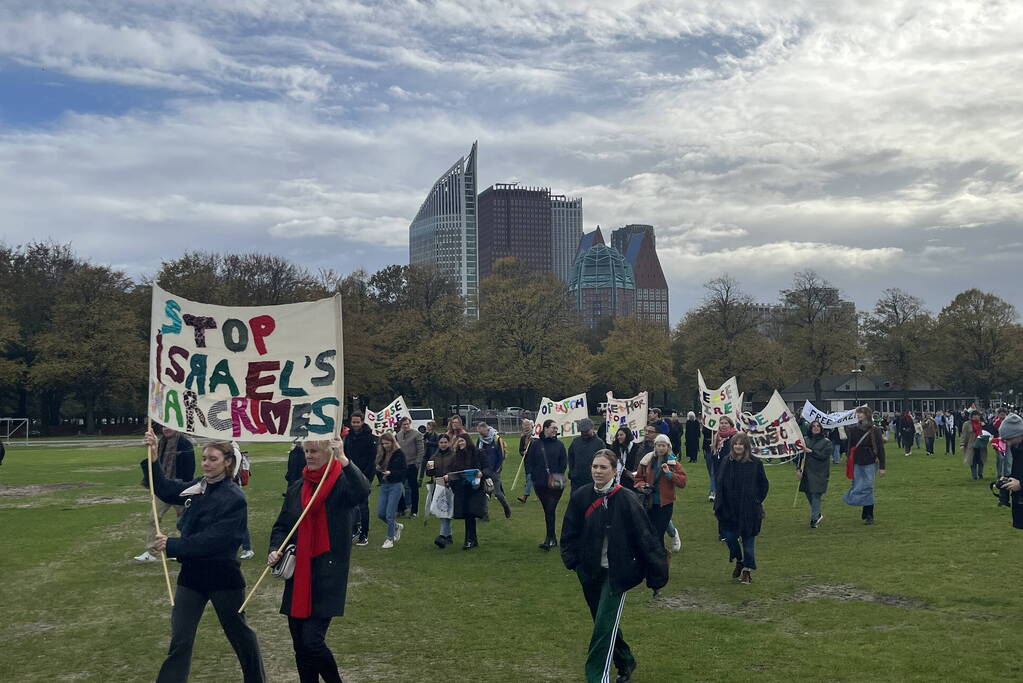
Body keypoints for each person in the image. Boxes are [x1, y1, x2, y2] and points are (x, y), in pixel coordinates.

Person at [140, 432, 266, 682]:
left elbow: (214, 541)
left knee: (240, 636)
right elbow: (164, 489)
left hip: (223, 577)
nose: (206, 463)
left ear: (227, 462)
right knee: (181, 638)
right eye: (204, 458)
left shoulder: (234, 498)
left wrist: (172, 545)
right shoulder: (198, 487)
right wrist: (153, 457)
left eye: (213, 459)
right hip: (192, 578)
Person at [560, 449, 669, 683]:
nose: (597, 471)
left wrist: (656, 574)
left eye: (603, 467)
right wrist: (573, 561)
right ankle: (626, 659)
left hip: (617, 573)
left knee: (603, 627)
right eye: (595, 467)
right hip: (589, 571)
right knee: (603, 623)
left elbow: (646, 538)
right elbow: (570, 531)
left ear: (614, 470)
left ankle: (597, 678)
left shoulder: (627, 499)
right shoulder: (581, 496)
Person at [268, 438, 371, 683]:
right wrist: (275, 549)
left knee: (312, 642)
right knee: (299, 645)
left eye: (314, 451)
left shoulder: (341, 484)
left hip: (327, 574)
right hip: (299, 573)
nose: (309, 456)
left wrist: (345, 460)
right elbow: (282, 526)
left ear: (329, 453)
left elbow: (362, 490)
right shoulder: (297, 487)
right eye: (306, 451)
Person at [713, 432, 769, 584]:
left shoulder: (755, 463)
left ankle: (747, 571)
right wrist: (718, 505)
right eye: (735, 444)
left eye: (741, 444)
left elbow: (763, 484)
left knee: (748, 542)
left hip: (749, 510)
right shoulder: (727, 461)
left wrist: (757, 500)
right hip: (729, 509)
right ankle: (739, 559)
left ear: (746, 446)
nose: (738, 446)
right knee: (729, 538)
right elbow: (720, 484)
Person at [136, 424, 195, 563]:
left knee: (184, 522)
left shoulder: (185, 444)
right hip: (164, 489)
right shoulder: (161, 443)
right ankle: (151, 551)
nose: (165, 429)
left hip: (181, 490)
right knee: (153, 518)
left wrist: (184, 488)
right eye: (163, 427)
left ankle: (183, 549)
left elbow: (190, 469)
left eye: (168, 426)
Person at [634, 434, 687, 551]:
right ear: (655, 446)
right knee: (651, 532)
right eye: (659, 445)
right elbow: (638, 479)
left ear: (668, 447)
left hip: (665, 503)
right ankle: (658, 556)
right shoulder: (646, 461)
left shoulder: (673, 463)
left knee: (659, 532)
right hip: (649, 502)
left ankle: (659, 557)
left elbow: (682, 482)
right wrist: (643, 486)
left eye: (664, 446)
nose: (661, 448)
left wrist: (669, 474)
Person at [525, 419, 568, 550]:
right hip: (540, 483)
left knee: (550, 509)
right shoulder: (536, 444)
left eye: (556, 428)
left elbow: (563, 462)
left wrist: (557, 475)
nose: (555, 430)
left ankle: (549, 538)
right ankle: (552, 538)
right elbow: (529, 461)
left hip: (555, 484)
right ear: (545, 428)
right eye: (553, 428)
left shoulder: (559, 445)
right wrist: (533, 475)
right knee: (548, 510)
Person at [843, 406, 886, 525]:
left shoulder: (875, 430)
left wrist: (882, 467)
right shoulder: (853, 429)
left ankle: (869, 514)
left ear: (867, 414)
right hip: (857, 461)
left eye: (860, 413)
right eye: (858, 413)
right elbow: (850, 445)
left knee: (868, 486)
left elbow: (881, 449)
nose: (858, 415)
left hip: (870, 461)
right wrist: (849, 459)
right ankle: (861, 506)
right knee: (858, 485)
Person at [447, 434, 488, 549]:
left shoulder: (478, 453)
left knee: (471, 513)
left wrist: (482, 473)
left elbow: (487, 468)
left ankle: (469, 540)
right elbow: (452, 470)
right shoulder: (456, 456)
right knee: (467, 514)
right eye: (459, 441)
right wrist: (449, 477)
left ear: (467, 441)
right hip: (461, 488)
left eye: (462, 441)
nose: (460, 443)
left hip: (475, 488)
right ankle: (472, 540)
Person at [343, 412, 377, 546]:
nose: (355, 425)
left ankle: (364, 534)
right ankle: (353, 530)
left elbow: (372, 459)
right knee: (350, 505)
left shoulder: (370, 438)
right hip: (349, 475)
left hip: (364, 476)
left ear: (362, 422)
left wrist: (366, 477)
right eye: (353, 422)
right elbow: (344, 455)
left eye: (358, 422)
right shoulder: (348, 437)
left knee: (363, 506)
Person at [374, 432, 406, 549]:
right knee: (381, 513)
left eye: (387, 443)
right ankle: (397, 526)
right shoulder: (382, 453)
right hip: (384, 484)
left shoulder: (399, 454)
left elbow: (403, 471)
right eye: (383, 444)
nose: (385, 446)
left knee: (390, 514)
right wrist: (379, 468)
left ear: (392, 442)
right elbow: (380, 466)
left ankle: (390, 538)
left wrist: (391, 473)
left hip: (395, 485)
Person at [425, 433, 457, 548]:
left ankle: (443, 535)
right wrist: (429, 469)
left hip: (450, 485)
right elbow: (429, 473)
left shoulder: (453, 455)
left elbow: (456, 470)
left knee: (445, 510)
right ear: (438, 444)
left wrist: (450, 477)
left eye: (445, 442)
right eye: (441, 442)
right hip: (439, 485)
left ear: (449, 443)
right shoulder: (434, 457)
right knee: (442, 510)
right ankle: (447, 536)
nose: (443, 444)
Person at [476, 421, 512, 518]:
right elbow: (477, 454)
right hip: (483, 470)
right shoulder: (479, 440)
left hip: (494, 470)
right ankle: (484, 515)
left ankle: (506, 507)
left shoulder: (497, 439)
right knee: (483, 493)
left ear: (486, 429)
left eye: (482, 432)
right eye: (479, 433)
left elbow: (501, 455)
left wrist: (497, 469)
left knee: (498, 493)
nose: (480, 435)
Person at [798, 421, 831, 528]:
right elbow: (800, 456)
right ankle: (817, 513)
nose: (816, 428)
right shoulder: (805, 440)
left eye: (818, 426)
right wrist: (798, 469)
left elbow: (824, 455)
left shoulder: (826, 442)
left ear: (821, 428)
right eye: (813, 426)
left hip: (820, 472)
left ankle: (814, 519)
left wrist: (811, 451)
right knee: (809, 494)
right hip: (807, 472)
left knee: (816, 494)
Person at [996, 414, 1023, 529]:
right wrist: (1009, 479)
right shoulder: (1016, 447)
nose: (1006, 442)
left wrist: (1021, 484)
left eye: (1007, 438)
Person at [395, 416, 425, 518]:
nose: (406, 426)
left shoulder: (417, 434)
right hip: (401, 466)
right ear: (401, 425)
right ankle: (401, 508)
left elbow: (421, 450)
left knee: (413, 488)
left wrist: (417, 463)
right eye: (404, 424)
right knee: (398, 487)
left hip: (412, 464)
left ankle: (414, 510)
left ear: (410, 423)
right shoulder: (398, 435)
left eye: (407, 424)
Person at [568, 418, 604, 491]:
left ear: (592, 428)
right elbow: (570, 457)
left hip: (592, 480)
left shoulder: (599, 443)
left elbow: (603, 460)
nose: (584, 433)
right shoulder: (575, 441)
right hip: (576, 481)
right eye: (582, 431)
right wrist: (572, 472)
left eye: (586, 431)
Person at [233, 444, 255, 559]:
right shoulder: (229, 448)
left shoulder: (234, 450)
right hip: (231, 489)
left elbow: (232, 474)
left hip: (234, 490)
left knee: (240, 520)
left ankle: (248, 549)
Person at [708, 416, 738, 503]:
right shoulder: (717, 436)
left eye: (726, 423)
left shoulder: (734, 436)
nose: (723, 425)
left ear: (730, 425)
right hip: (719, 466)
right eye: (721, 423)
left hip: (731, 467)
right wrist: (713, 450)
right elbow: (715, 453)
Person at [962, 410, 989, 480]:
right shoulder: (967, 424)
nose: (977, 417)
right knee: (972, 460)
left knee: (981, 460)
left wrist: (985, 426)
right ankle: (974, 475)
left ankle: (980, 473)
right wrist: (962, 444)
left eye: (978, 415)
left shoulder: (982, 424)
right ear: (971, 416)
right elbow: (964, 435)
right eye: (975, 416)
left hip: (981, 445)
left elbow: (988, 432)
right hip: (971, 445)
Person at [516, 418, 535, 503]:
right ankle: (540, 495)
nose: (526, 427)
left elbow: (540, 447)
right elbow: (520, 449)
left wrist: (533, 441)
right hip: (527, 461)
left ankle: (525, 496)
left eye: (528, 425)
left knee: (530, 478)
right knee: (530, 478)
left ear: (531, 426)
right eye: (525, 425)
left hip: (536, 461)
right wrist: (523, 452)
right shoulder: (523, 437)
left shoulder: (535, 436)